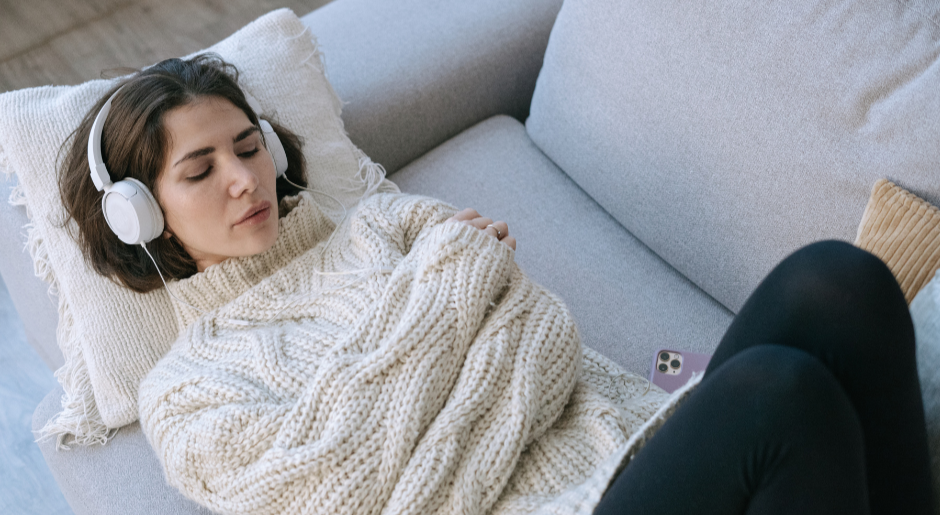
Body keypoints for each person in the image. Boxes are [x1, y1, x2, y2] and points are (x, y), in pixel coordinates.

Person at [58, 55, 932, 515]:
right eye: (200, 171)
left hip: (636, 443)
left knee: (838, 281)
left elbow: (548, 337)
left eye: (249, 148)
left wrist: (427, 428)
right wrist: (456, 291)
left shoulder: (383, 228)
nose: (243, 181)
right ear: (143, 215)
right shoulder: (185, 395)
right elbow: (343, 493)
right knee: (779, 392)